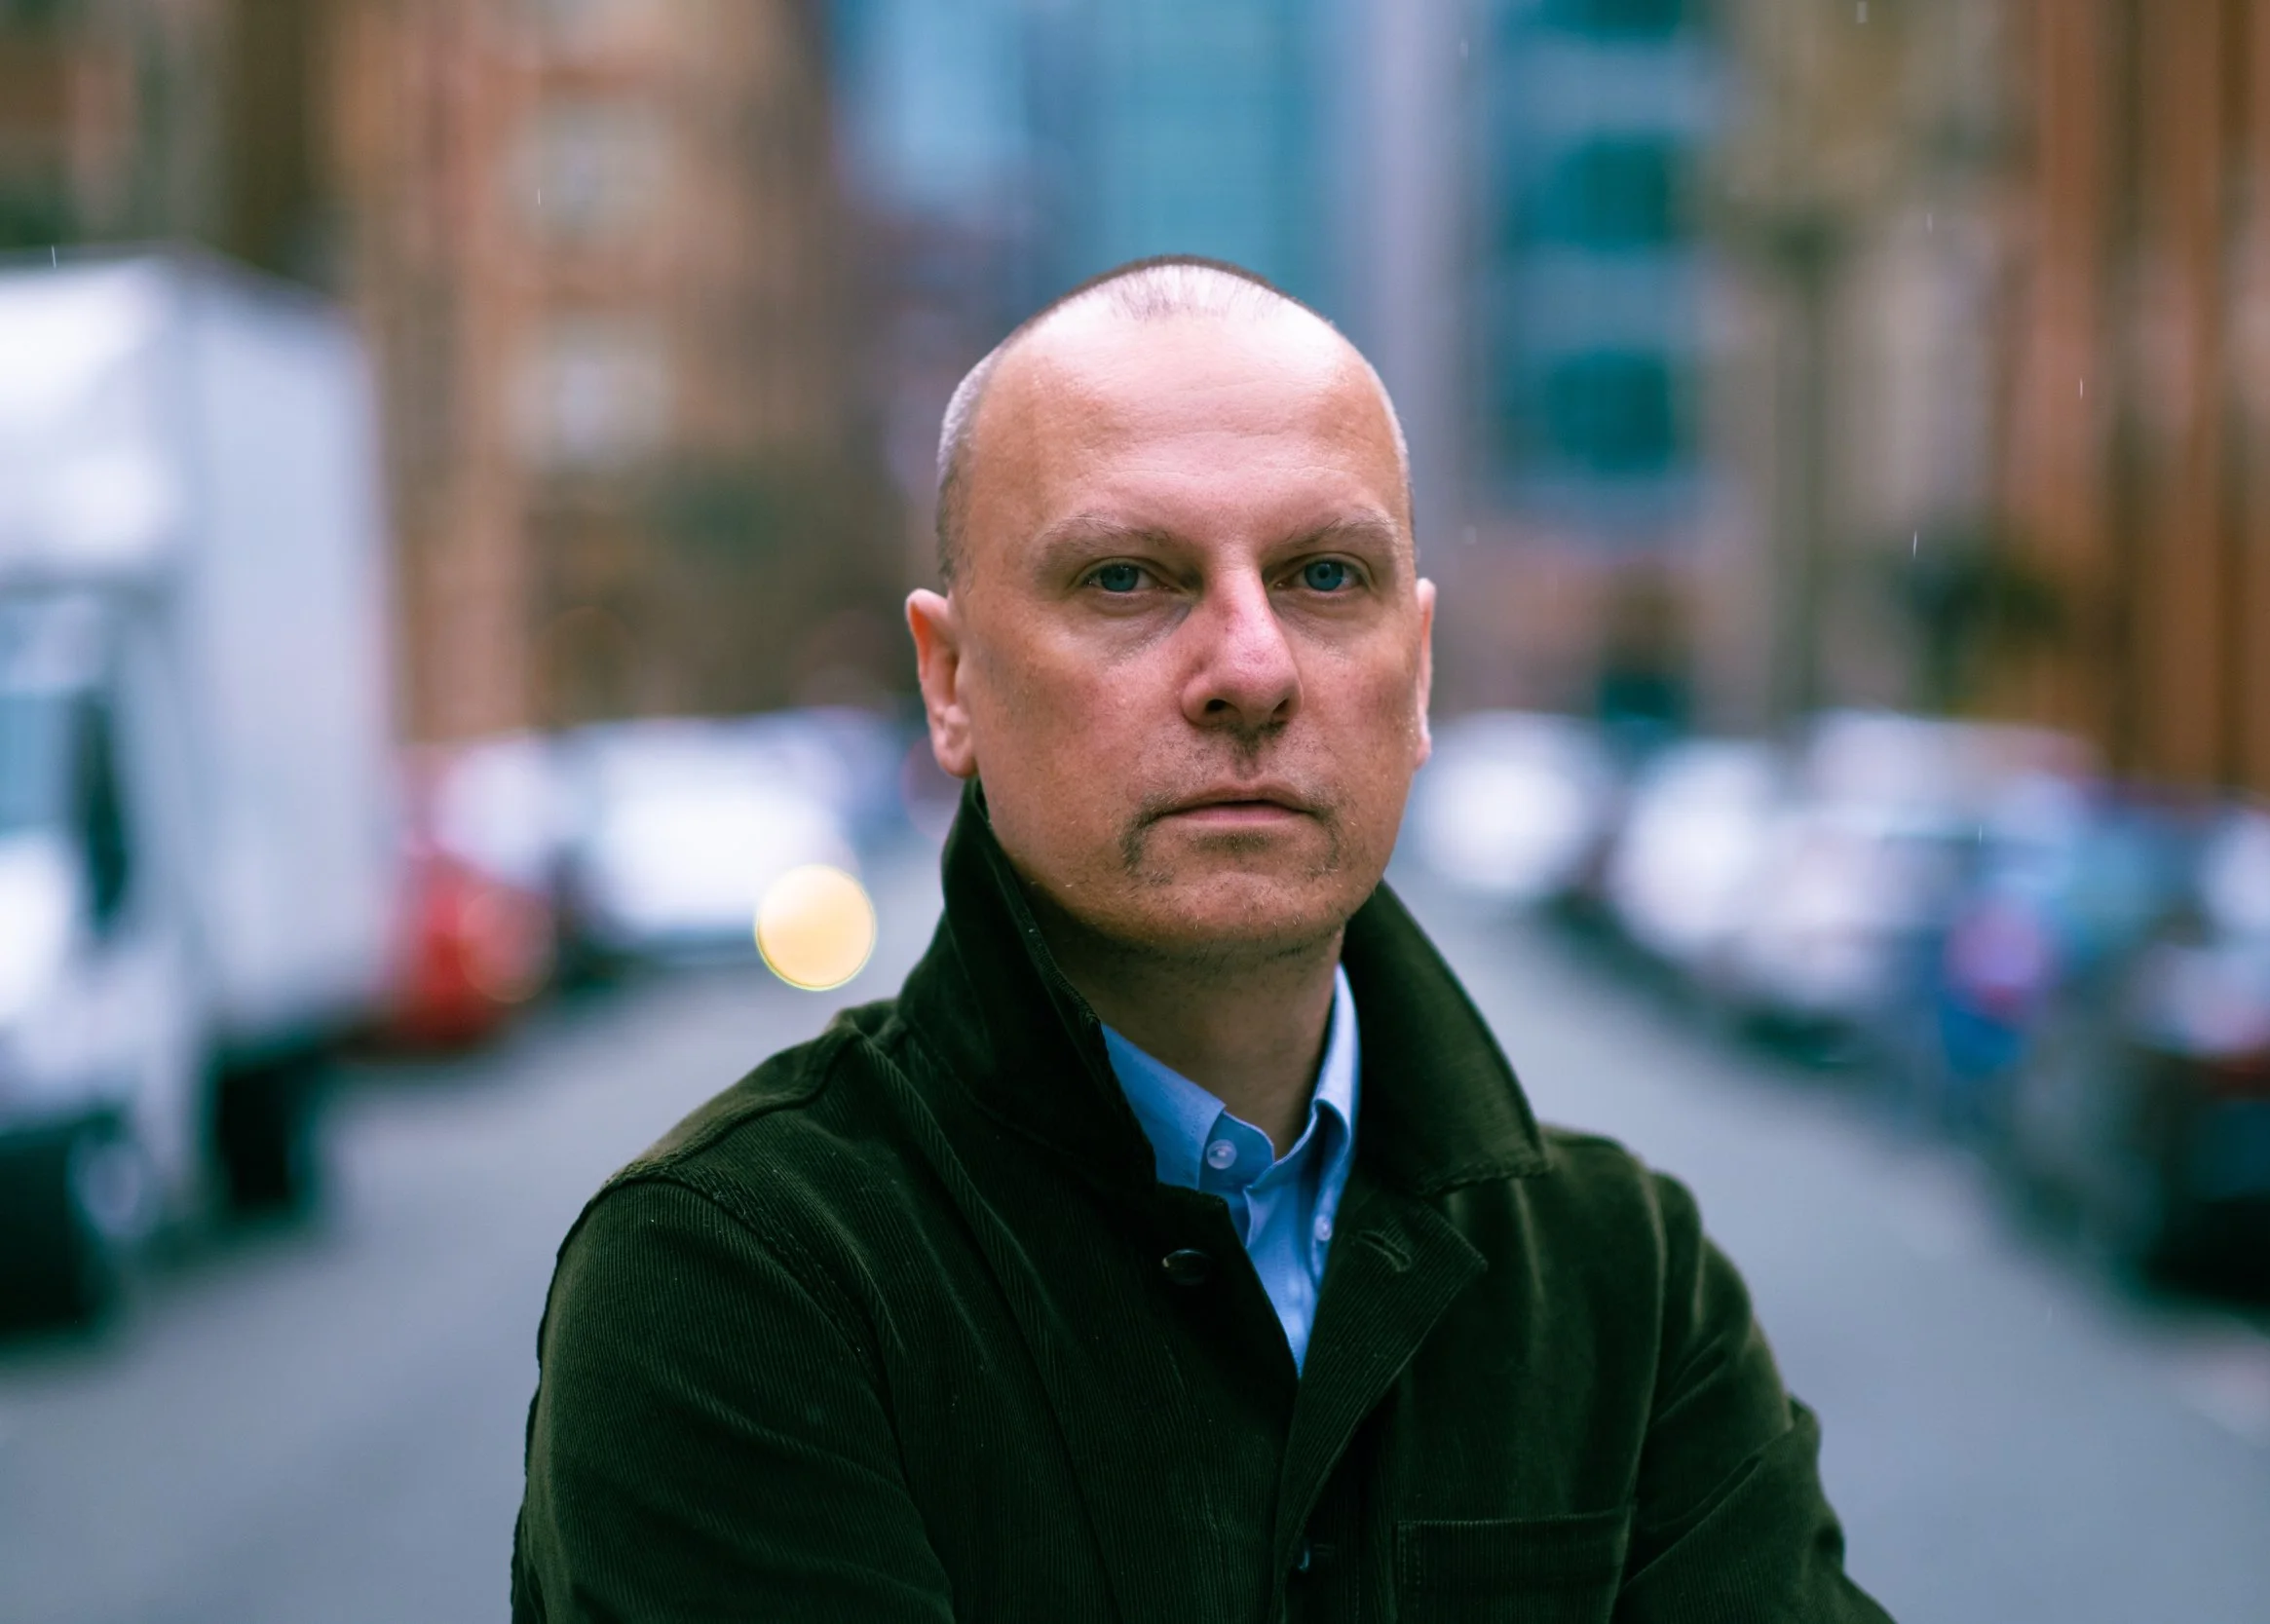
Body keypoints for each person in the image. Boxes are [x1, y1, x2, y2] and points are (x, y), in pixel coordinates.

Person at [512, 256, 1893, 1622]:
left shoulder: (1624, 1286)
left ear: (1415, 673)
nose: (1251, 668)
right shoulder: (737, 1278)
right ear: (952, 682)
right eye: (1126, 577)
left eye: (1324, 574)